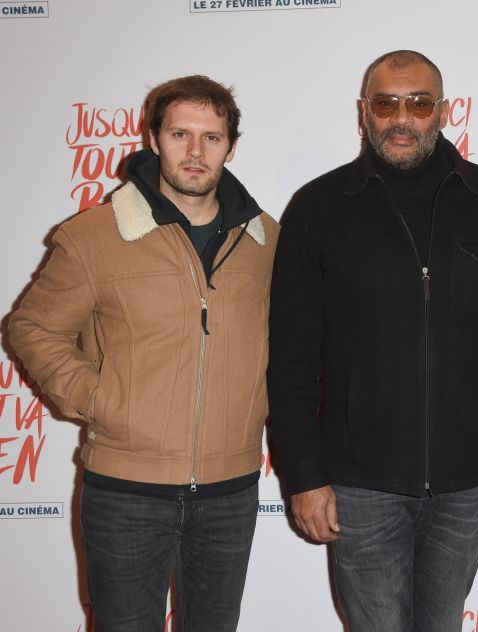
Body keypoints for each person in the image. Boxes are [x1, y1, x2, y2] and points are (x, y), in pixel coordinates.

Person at [267, 50, 478, 632]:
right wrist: (303, 475)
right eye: (387, 103)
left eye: (418, 103)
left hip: (465, 481)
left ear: (443, 110)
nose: (402, 118)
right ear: (365, 111)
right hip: (360, 483)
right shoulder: (318, 208)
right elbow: (291, 359)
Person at [9, 75, 278, 631]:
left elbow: (294, 343)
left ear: (231, 145)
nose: (196, 152)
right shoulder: (95, 236)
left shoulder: (267, 242)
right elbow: (33, 327)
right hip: (125, 496)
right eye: (180, 134)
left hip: (231, 492)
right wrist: (101, 400)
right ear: (153, 139)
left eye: (212, 137)